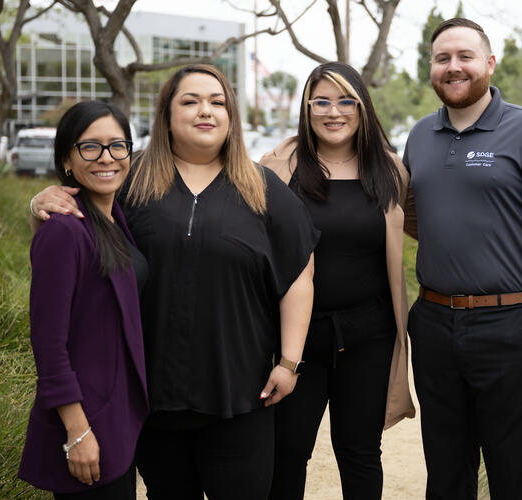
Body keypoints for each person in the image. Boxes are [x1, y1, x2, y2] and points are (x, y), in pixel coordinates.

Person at [29, 64, 318, 499]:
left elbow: (298, 272)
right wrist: (39, 201)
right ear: (167, 114)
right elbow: (75, 239)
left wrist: (290, 361)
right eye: (190, 101)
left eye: (217, 102)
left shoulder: (263, 188)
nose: (206, 111)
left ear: (231, 115)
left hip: (241, 396)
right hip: (152, 400)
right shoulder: (131, 179)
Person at [402, 18, 522, 500]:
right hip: (436, 326)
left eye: (464, 56)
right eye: (442, 58)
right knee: (446, 473)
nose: (453, 67)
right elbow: (417, 219)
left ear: (489, 63)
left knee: (516, 477)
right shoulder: (419, 137)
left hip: (513, 327)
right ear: (432, 68)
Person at [260, 61, 415, 500]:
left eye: (347, 100)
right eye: (322, 101)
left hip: (370, 334)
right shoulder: (276, 169)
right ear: (306, 109)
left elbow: (437, 222)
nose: (334, 111)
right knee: (287, 452)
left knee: (361, 451)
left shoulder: (390, 170)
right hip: (295, 339)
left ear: (363, 107)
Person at [18, 101, 148, 499]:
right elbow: (48, 342)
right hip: (87, 423)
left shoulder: (111, 216)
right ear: (67, 161)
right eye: (90, 147)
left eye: (117, 145)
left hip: (116, 418)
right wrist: (77, 431)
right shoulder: (65, 230)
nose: (106, 158)